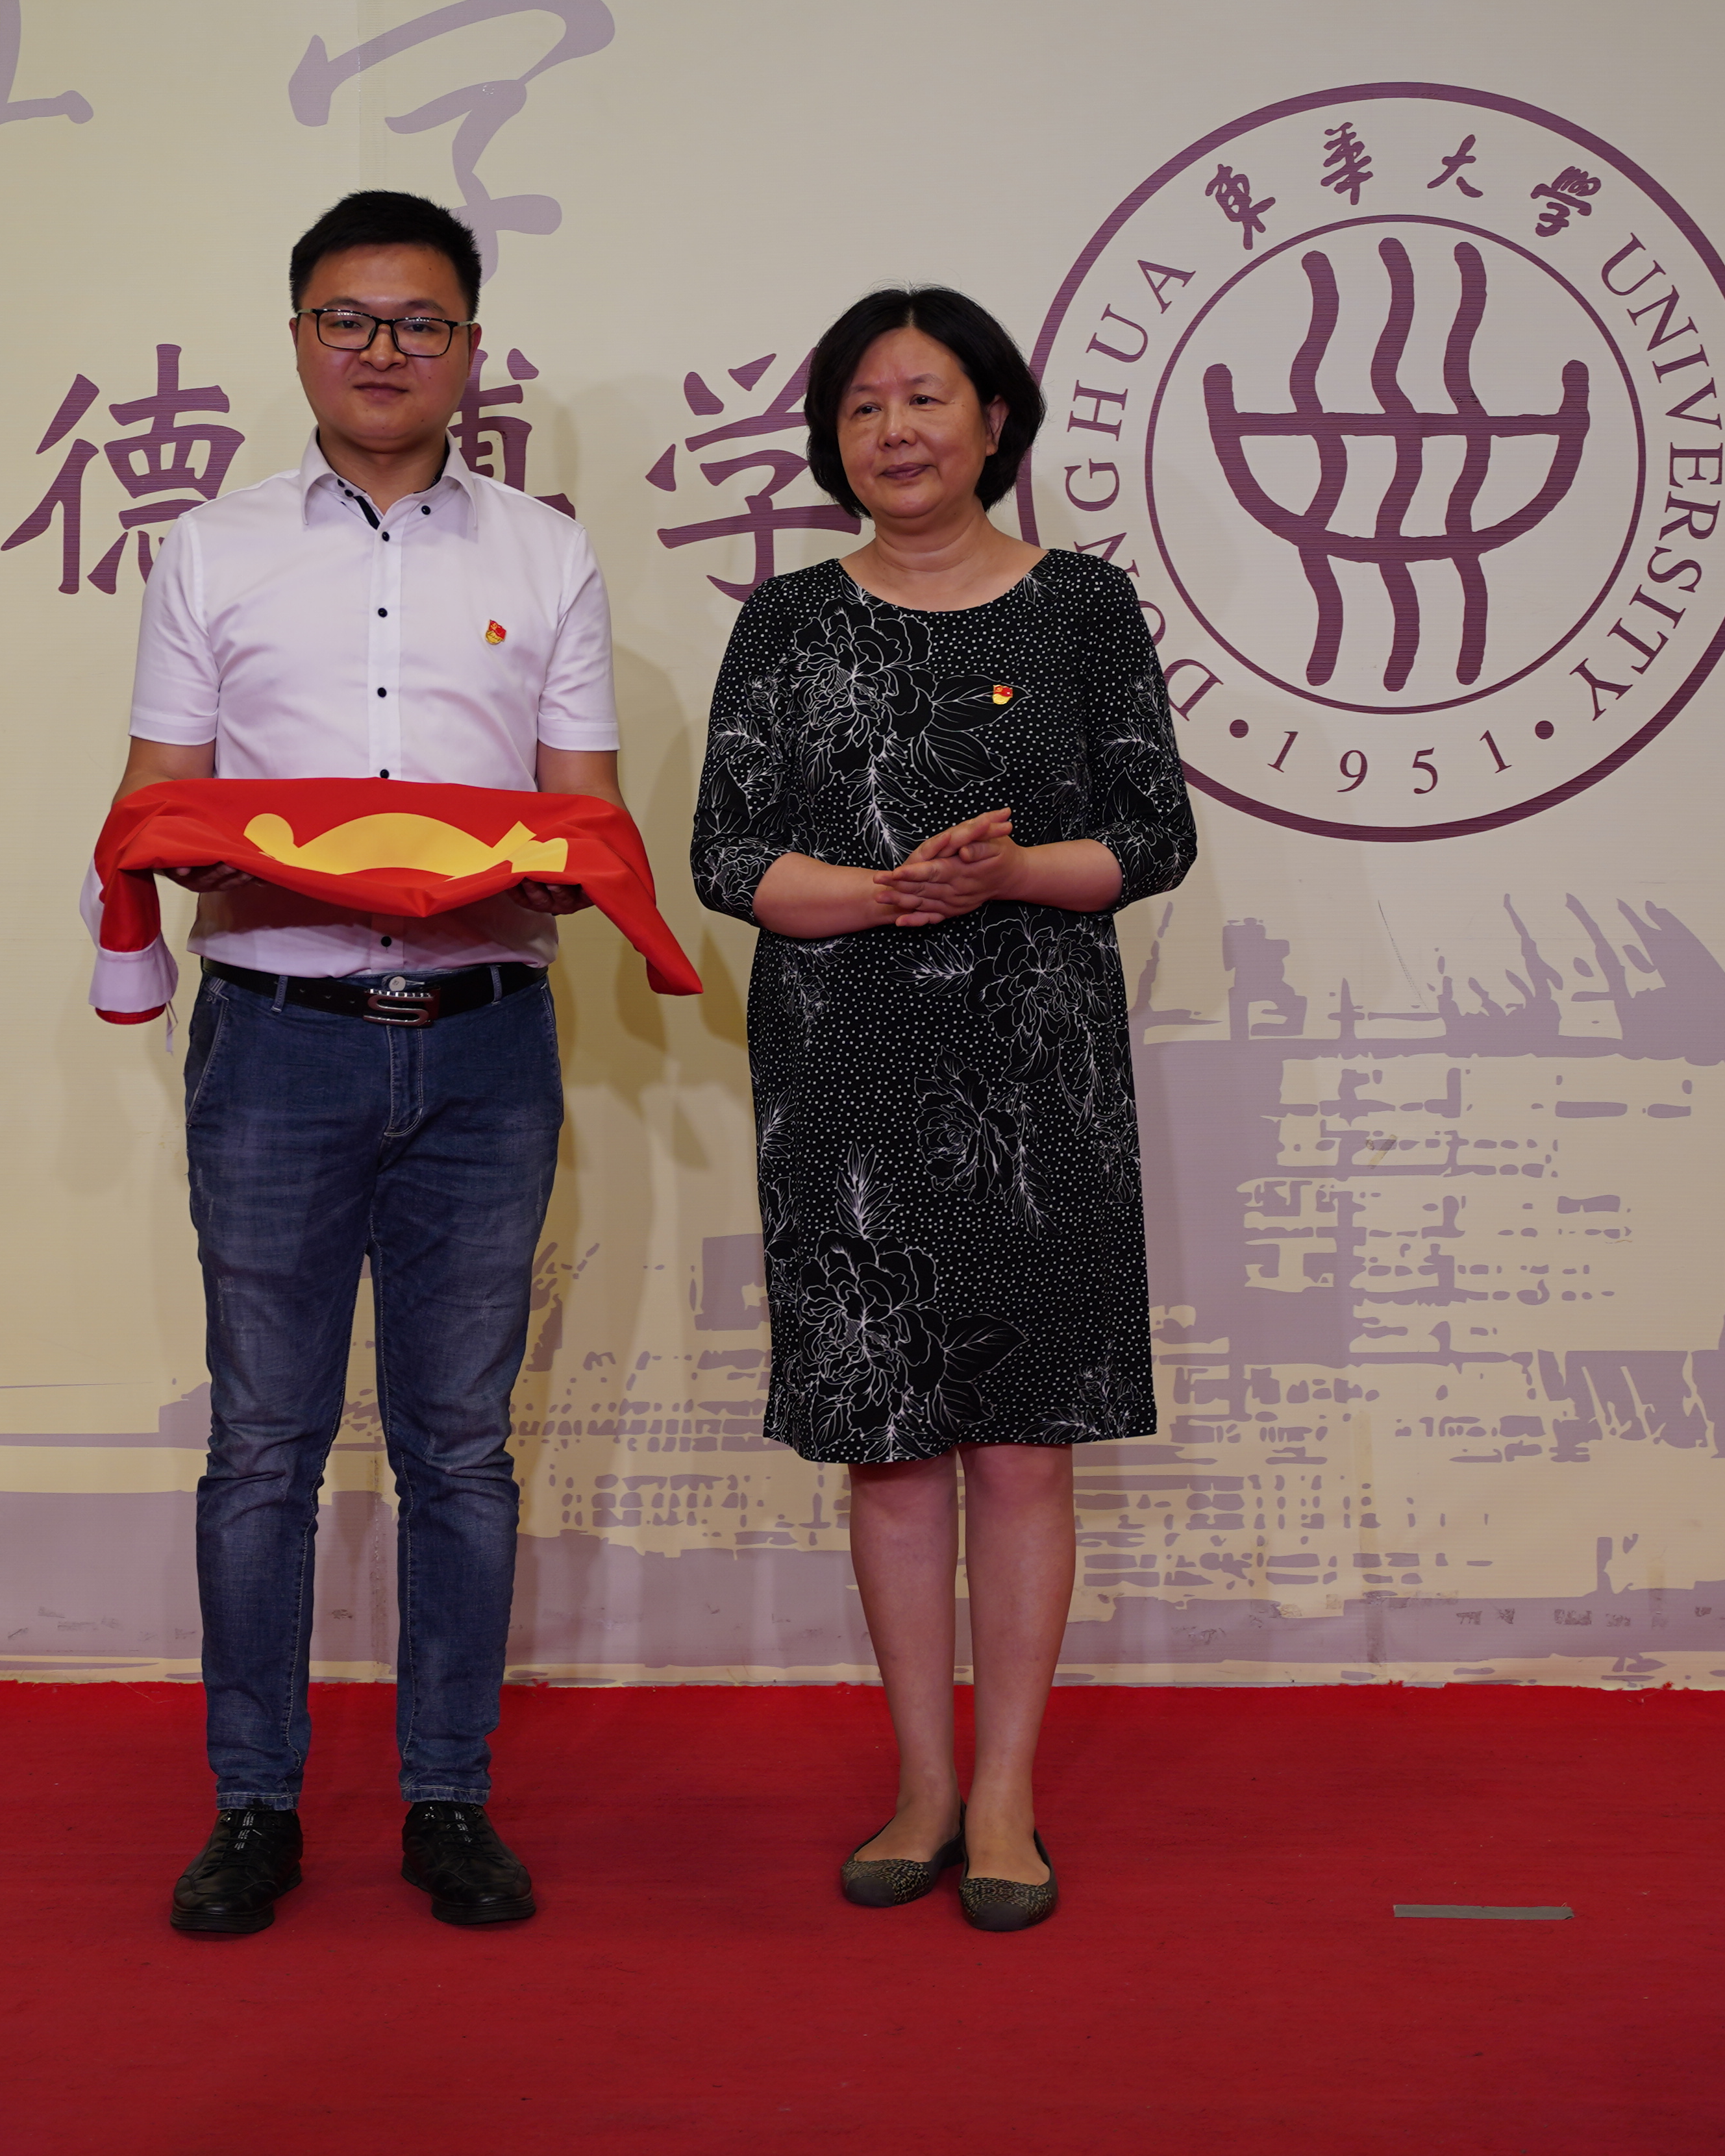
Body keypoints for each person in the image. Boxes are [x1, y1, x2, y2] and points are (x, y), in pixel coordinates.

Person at [116, 190, 623, 1936]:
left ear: (472, 347)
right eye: (349, 319)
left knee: (460, 1451)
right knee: (262, 1445)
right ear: (298, 339)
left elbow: (586, 816)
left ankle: (447, 1795)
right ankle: (253, 1803)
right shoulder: (215, 549)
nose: (383, 350)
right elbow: (161, 797)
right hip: (277, 1041)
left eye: (420, 322)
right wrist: (259, 856)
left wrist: (519, 867)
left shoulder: (544, 555)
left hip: (485, 1048)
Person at [688, 285, 1196, 1933]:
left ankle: (1006, 1794)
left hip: (1037, 1078)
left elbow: (1155, 833)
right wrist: (884, 892)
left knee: (1024, 1448)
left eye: (926, 397)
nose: (895, 430)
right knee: (892, 1452)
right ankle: (920, 1781)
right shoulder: (787, 621)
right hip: (844, 1075)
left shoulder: (1082, 605)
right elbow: (725, 853)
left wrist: (1014, 871)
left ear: (995, 419)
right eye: (863, 405)